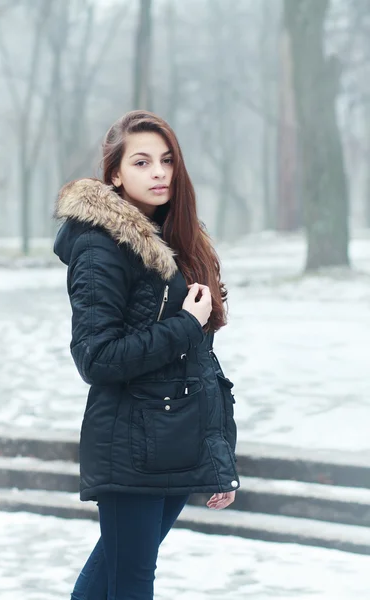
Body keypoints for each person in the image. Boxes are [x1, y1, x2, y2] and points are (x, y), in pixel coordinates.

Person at [53, 110, 240, 600]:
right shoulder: (101, 247)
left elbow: (199, 363)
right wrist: (183, 325)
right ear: (115, 174)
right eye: (141, 162)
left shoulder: (178, 242)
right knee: (131, 582)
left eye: (166, 160)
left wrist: (217, 455)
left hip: (175, 440)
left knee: (107, 580)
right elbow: (96, 357)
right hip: (129, 444)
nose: (159, 172)